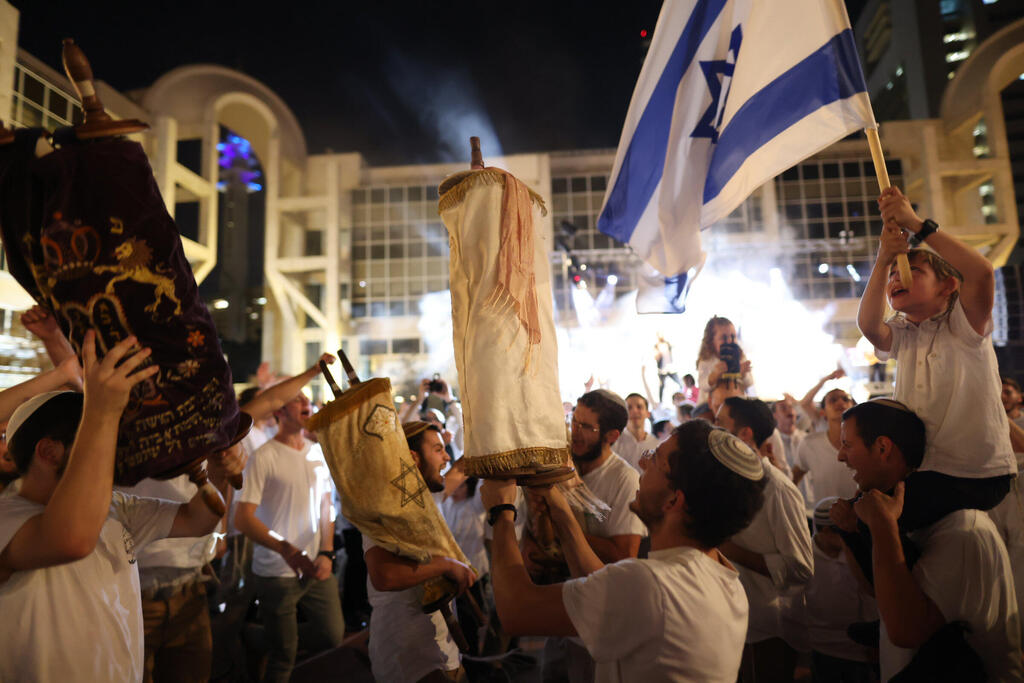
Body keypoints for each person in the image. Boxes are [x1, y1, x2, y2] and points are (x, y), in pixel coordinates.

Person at [0, 332, 238, 681]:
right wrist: (102, 410)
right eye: (91, 440)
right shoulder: (7, 515)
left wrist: (218, 473)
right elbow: (71, 540)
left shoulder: (116, 507)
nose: (111, 453)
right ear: (49, 452)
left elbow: (197, 520)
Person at [480, 419, 768, 681]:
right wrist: (560, 509)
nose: (642, 465)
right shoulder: (724, 576)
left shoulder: (650, 585)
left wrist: (502, 512)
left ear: (673, 501)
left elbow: (517, 610)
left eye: (655, 459)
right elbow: (604, 586)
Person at [860, 186, 1016, 531]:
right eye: (892, 276)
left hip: (973, 473)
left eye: (911, 271)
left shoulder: (964, 324)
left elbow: (982, 273)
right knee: (852, 518)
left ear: (947, 287)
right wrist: (884, 258)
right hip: (924, 470)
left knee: (874, 524)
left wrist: (917, 224)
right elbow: (869, 325)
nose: (895, 279)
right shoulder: (904, 332)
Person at [834, 399, 1022, 680]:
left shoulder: (962, 531)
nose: (840, 456)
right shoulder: (911, 517)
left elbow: (905, 629)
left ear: (883, 448)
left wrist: (883, 527)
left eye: (847, 445)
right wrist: (854, 531)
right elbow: (877, 589)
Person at [234, 391, 344, 683]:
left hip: (316, 564)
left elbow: (326, 505)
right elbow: (243, 517)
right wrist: (284, 548)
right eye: (297, 400)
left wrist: (327, 551)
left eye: (307, 399)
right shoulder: (264, 456)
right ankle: (273, 641)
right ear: (278, 411)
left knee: (332, 634)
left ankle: (260, 637)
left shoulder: (316, 452)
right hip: (276, 570)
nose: (306, 404)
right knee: (284, 658)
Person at [363, 421, 474, 683]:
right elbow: (384, 576)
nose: (447, 456)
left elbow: (466, 464)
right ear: (413, 457)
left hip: (445, 654)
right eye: (438, 449)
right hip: (409, 658)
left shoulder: (427, 496)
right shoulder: (383, 508)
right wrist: (446, 565)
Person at [715, 396, 814, 683]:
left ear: (744, 435)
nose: (713, 430)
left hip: (767, 625)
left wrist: (729, 549)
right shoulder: (725, 480)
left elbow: (801, 568)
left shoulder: (778, 489)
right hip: (731, 618)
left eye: (720, 424)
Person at [803, 498, 877, 683]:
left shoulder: (856, 551)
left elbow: (870, 597)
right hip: (822, 647)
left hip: (859, 649)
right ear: (827, 531)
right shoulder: (805, 557)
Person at [792, 389, 858, 516]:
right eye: (833, 400)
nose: (840, 402)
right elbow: (793, 480)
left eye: (845, 399)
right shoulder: (809, 444)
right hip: (825, 522)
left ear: (853, 407)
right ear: (823, 413)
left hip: (861, 521)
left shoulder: (866, 443)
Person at [696, 316, 754, 414]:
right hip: (709, 406)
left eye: (733, 336)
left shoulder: (740, 358)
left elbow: (749, 382)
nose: (729, 341)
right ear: (711, 341)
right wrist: (713, 376)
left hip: (735, 402)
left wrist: (743, 374)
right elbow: (702, 384)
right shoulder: (706, 361)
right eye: (724, 337)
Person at [612, 393, 660, 472]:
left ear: (648, 414)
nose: (634, 411)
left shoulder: (656, 445)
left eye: (639, 407)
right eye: (629, 408)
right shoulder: (614, 441)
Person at [654, 333, 683, 404]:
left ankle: (682, 396)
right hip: (662, 370)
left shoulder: (667, 344)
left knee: (679, 383)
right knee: (661, 386)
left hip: (670, 368)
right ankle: (660, 401)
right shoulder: (656, 346)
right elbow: (656, 357)